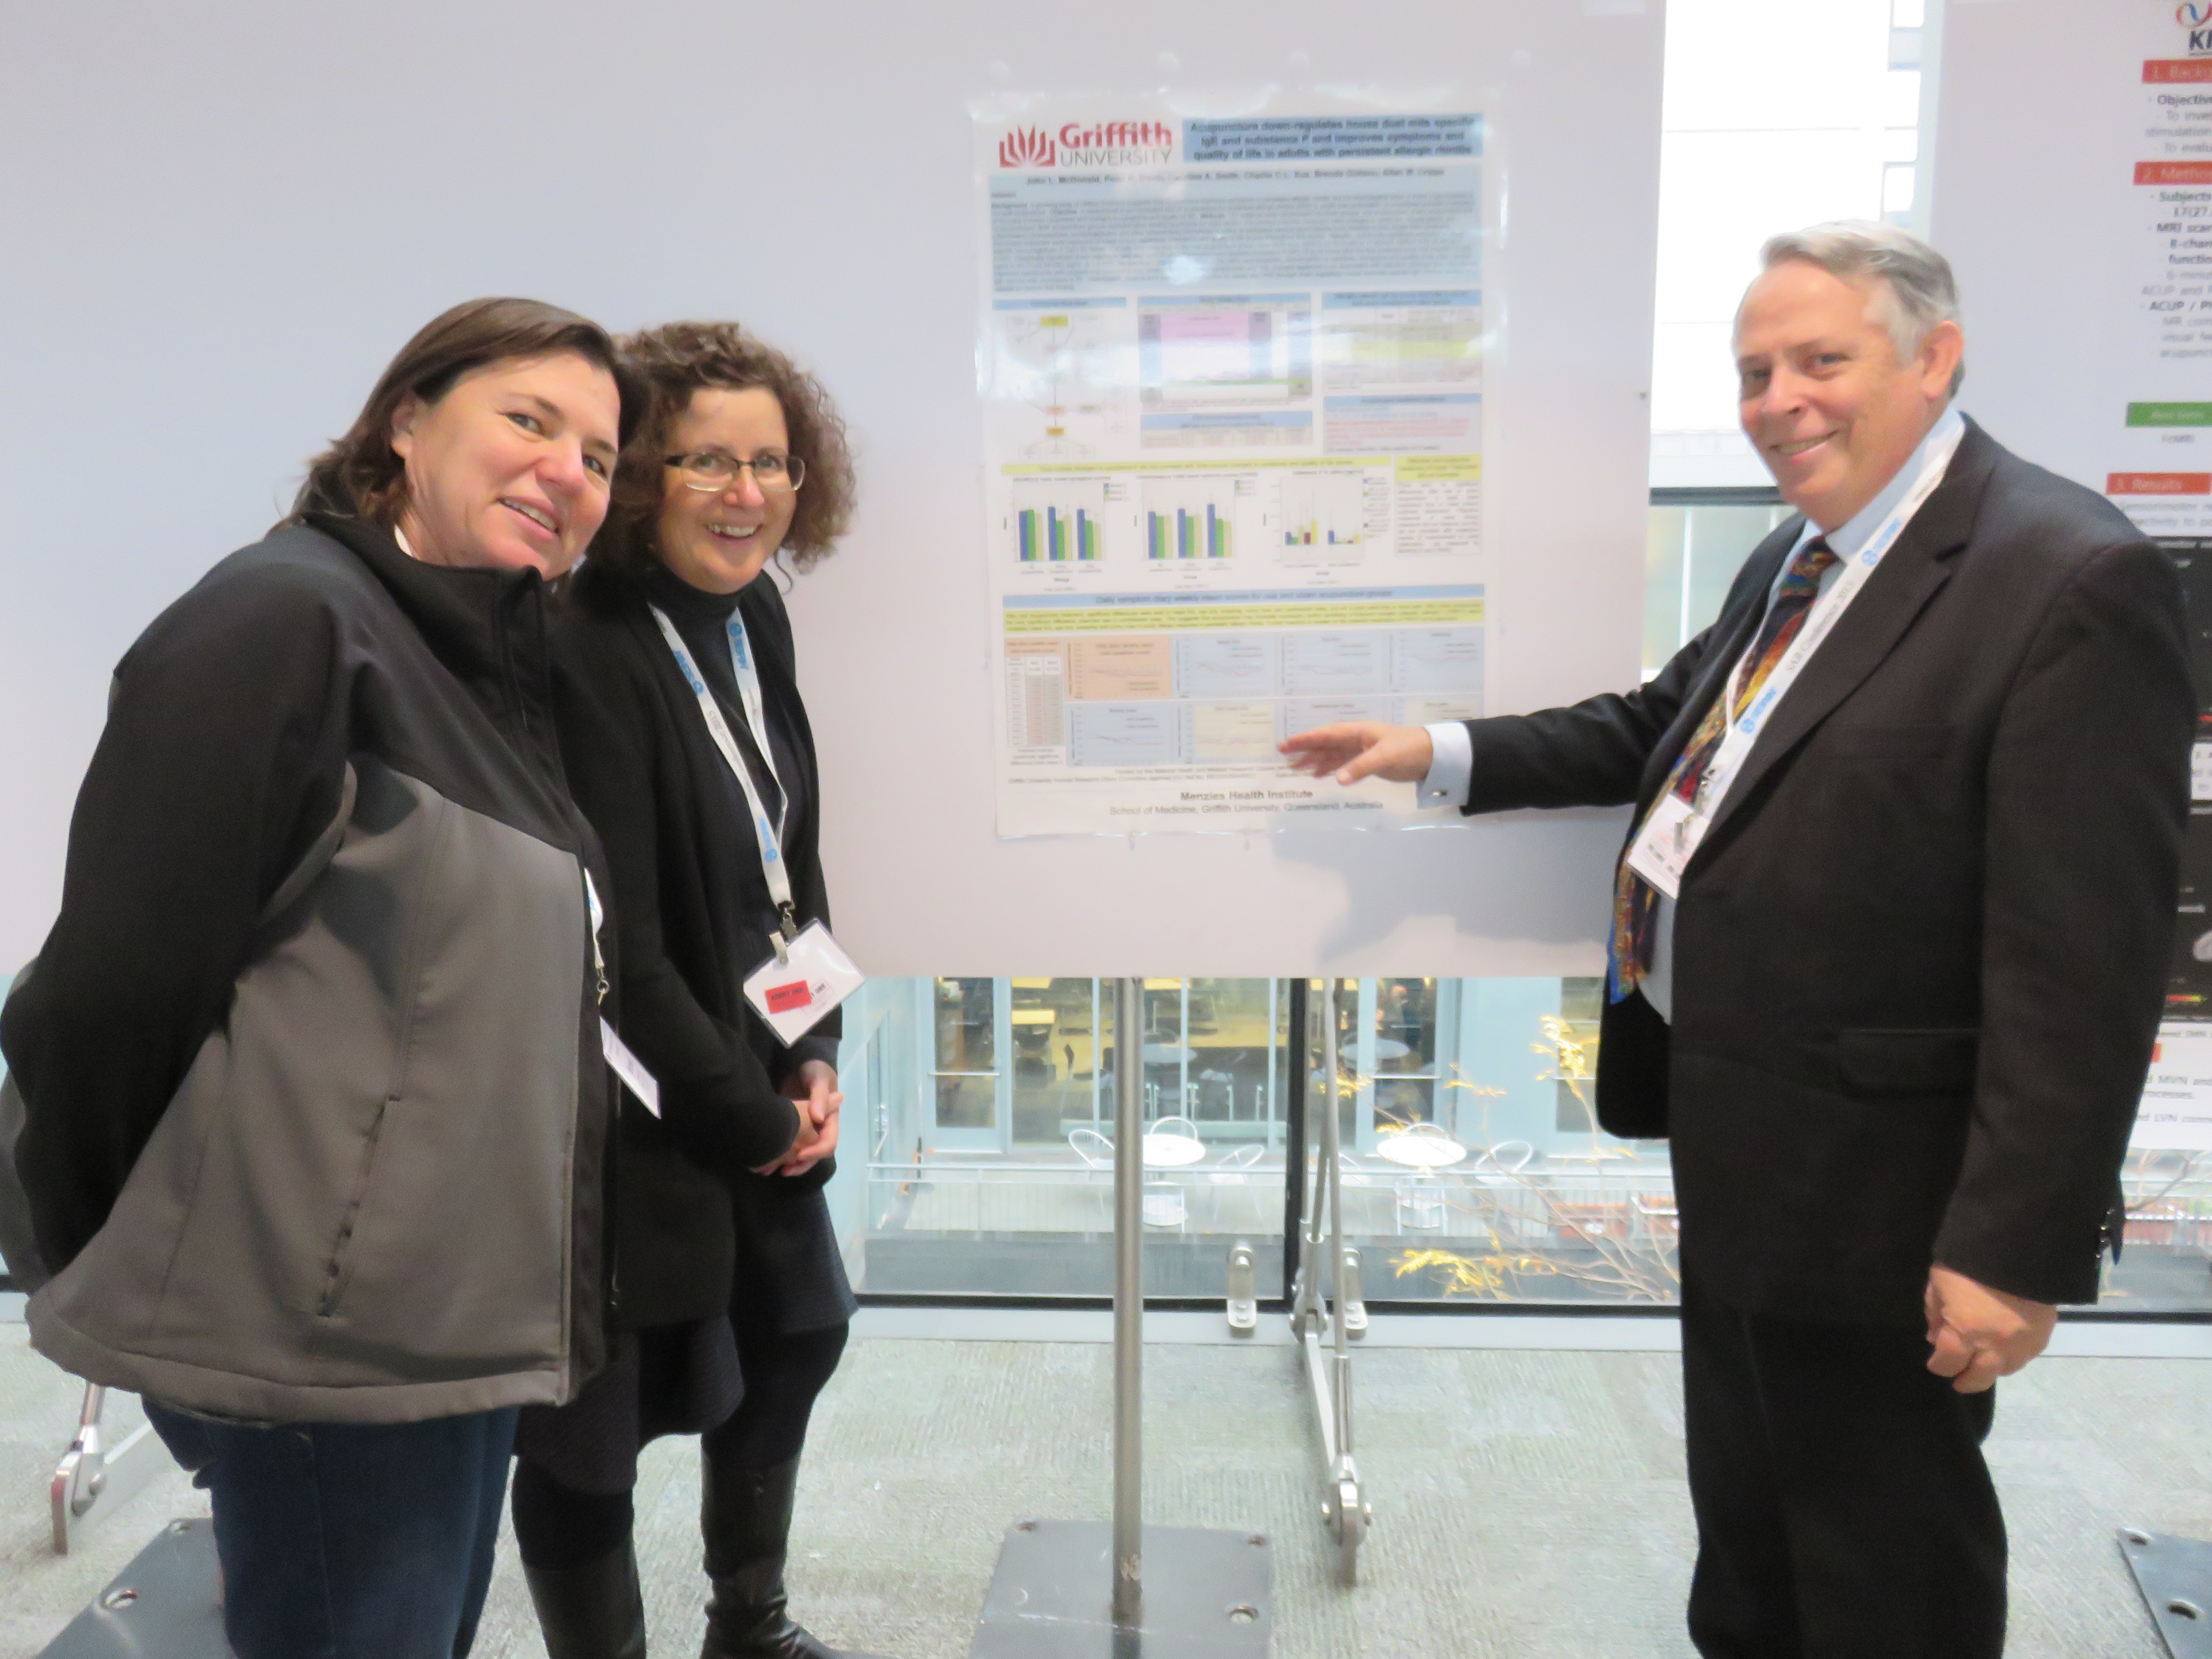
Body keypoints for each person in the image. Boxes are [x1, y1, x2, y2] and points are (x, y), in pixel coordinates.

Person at [1282, 222, 2192, 1657]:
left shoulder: (2066, 578)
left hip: (1892, 1183)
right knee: (1757, 1523)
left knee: (1884, 1544)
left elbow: (2083, 963)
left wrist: (2013, 1249)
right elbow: (1667, 728)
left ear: (1935, 356)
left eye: (1821, 360)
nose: (1780, 400)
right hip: (1748, 1133)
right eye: (1757, 369)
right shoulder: (1805, 549)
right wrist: (1437, 749)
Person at [0, 297, 638, 1658]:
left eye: (597, 455)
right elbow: (109, 989)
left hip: (453, 1331)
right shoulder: (284, 619)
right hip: (325, 1349)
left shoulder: (481, 665)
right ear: (405, 424)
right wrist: (121, 1246)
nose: (567, 473)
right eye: (529, 421)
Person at [517, 320, 875, 1659]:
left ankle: (750, 1624)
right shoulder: (585, 645)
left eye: (772, 463)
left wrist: (813, 1050)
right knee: (589, 1439)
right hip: (625, 1099)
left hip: (745, 1069)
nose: (747, 494)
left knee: (796, 1335)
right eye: (706, 462)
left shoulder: (753, 611)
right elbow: (625, 949)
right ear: (642, 480)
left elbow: (788, 865)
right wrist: (754, 1118)